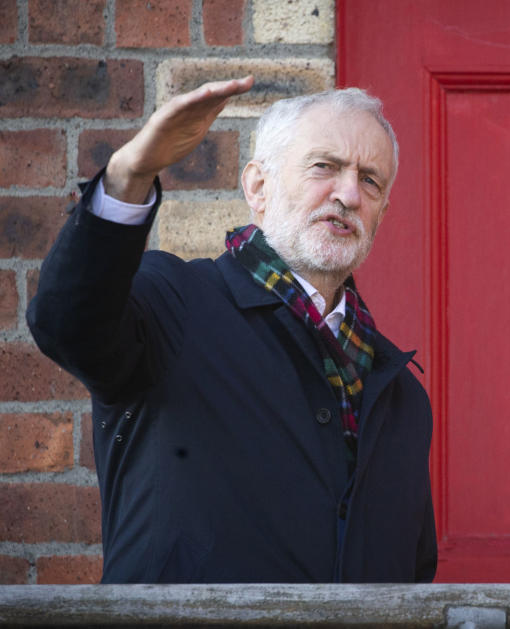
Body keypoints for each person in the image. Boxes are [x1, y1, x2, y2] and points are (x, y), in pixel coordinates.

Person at [27, 77, 437, 583]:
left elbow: (413, 581)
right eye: (324, 167)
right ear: (257, 187)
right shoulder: (170, 305)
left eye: (370, 180)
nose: (350, 194)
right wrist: (130, 174)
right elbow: (66, 323)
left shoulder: (401, 399)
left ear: (381, 215)